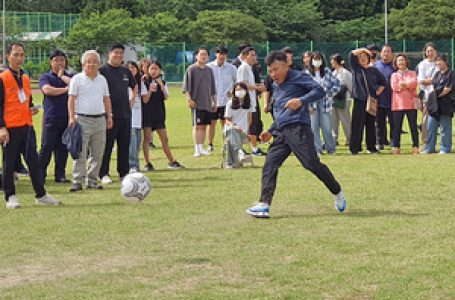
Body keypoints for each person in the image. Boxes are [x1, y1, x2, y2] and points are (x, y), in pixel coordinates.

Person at [246, 50, 346, 218]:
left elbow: (320, 91)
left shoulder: (299, 77)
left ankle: (337, 192)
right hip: (281, 131)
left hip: (298, 128)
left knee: (311, 164)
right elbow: (280, 111)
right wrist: (271, 130)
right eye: (270, 70)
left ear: (286, 66)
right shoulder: (275, 83)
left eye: (276, 69)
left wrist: (301, 101)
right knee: (270, 164)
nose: (273, 74)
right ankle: (264, 204)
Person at [0, 43, 60, 208]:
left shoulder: (25, 78)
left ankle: (41, 195)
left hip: (27, 126)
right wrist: (2, 127)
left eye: (21, 55)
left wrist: (31, 109)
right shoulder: (2, 78)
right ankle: (10, 196)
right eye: (15, 55)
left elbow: (27, 101)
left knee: (33, 162)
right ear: (8, 57)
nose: (19, 58)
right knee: (9, 163)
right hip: (10, 128)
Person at [68, 50, 113, 192]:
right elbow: (71, 99)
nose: (91, 64)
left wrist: (109, 115)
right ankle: (77, 181)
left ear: (99, 64)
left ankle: (92, 180)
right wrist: (71, 117)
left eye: (95, 62)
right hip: (82, 119)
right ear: (83, 64)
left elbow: (106, 99)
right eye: (89, 61)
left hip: (99, 119)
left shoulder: (102, 79)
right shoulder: (77, 79)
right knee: (80, 152)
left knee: (98, 152)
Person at [99, 44, 137, 184]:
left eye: (121, 53)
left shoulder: (125, 71)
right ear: (109, 53)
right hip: (109, 114)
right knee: (107, 145)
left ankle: (123, 173)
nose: (119, 56)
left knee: (124, 145)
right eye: (116, 53)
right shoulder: (102, 70)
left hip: (125, 114)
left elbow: (134, 85)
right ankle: (103, 173)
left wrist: (132, 98)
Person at [142, 61, 184, 169]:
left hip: (159, 114)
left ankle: (172, 161)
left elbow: (166, 97)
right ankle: (147, 163)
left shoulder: (163, 82)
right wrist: (150, 90)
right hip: (147, 114)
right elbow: (145, 100)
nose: (153, 71)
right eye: (151, 69)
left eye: (156, 69)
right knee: (147, 139)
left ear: (160, 70)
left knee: (165, 139)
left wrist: (161, 85)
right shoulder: (144, 82)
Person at [38, 50, 71, 183]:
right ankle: (40, 175)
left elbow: (76, 85)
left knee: (62, 148)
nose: (59, 63)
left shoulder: (69, 76)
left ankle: (60, 175)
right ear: (51, 62)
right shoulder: (45, 77)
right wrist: (66, 89)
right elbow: (47, 90)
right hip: (51, 118)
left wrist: (63, 76)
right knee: (46, 147)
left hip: (66, 117)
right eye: (56, 60)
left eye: (62, 60)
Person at [349, 48, 386, 155]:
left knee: (370, 124)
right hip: (359, 100)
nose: (363, 58)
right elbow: (351, 54)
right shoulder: (356, 69)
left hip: (371, 100)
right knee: (357, 125)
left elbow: (383, 81)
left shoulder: (373, 70)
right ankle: (355, 148)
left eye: (365, 56)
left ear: (369, 58)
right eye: (360, 57)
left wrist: (379, 90)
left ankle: (371, 147)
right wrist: (364, 50)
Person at [183, 47, 217, 157]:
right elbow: (186, 87)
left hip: (207, 102)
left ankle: (201, 147)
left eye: (205, 54)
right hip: (197, 102)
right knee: (197, 126)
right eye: (201, 54)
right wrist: (189, 99)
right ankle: (196, 148)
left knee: (204, 126)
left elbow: (213, 88)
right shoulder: (191, 69)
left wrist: (214, 102)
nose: (203, 56)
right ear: (196, 56)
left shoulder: (209, 70)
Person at [306, 51, 340, 155]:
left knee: (327, 127)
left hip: (325, 102)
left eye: (319, 59)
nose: (317, 61)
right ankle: (317, 149)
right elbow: (303, 90)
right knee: (313, 127)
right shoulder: (306, 73)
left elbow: (337, 84)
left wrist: (329, 93)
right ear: (311, 61)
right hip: (312, 103)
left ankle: (331, 148)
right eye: (315, 59)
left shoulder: (326, 71)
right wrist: (307, 104)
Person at [236, 47, 267, 156]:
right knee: (247, 125)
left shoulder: (250, 68)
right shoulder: (243, 68)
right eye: (252, 55)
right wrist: (257, 87)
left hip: (252, 101)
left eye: (255, 55)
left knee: (252, 125)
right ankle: (249, 149)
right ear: (245, 56)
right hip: (246, 102)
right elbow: (242, 85)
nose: (254, 57)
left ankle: (253, 148)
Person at [207, 44, 237, 152]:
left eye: (224, 54)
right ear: (216, 54)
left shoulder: (232, 68)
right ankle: (210, 144)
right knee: (211, 123)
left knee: (225, 123)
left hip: (227, 101)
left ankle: (226, 144)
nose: (222, 56)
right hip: (213, 100)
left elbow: (236, 82)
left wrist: (232, 92)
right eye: (220, 54)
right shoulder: (209, 67)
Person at [423, 54, 454, 154]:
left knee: (445, 127)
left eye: (440, 61)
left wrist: (436, 94)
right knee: (431, 126)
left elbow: (447, 89)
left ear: (445, 61)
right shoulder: (437, 74)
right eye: (436, 61)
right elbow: (432, 86)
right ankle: (429, 148)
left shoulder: (451, 74)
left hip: (446, 104)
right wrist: (435, 94)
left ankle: (445, 148)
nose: (438, 63)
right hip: (435, 105)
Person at [390, 53, 419, 155]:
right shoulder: (394, 75)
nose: (401, 62)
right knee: (397, 127)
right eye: (399, 61)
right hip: (398, 105)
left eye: (402, 60)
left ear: (406, 61)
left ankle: (415, 146)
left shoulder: (412, 73)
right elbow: (394, 87)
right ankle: (396, 147)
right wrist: (406, 85)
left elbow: (414, 83)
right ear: (396, 63)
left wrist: (404, 85)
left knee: (413, 126)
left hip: (411, 104)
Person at [223, 82, 252, 168]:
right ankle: (240, 151)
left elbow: (250, 120)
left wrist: (247, 132)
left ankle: (231, 163)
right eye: (237, 90)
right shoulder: (230, 103)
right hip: (231, 128)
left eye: (241, 89)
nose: (239, 91)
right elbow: (227, 120)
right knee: (231, 130)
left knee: (229, 140)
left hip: (243, 132)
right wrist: (235, 126)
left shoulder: (249, 104)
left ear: (246, 91)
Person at [126, 61, 147, 172]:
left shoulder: (140, 82)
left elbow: (145, 99)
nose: (131, 70)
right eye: (128, 68)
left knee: (137, 142)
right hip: (130, 117)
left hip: (139, 117)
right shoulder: (124, 83)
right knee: (132, 143)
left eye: (133, 68)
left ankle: (136, 164)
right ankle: (132, 165)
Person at [373, 44, 395, 150]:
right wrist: (378, 88)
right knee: (379, 122)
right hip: (379, 99)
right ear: (380, 53)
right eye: (384, 51)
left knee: (394, 122)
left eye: (388, 51)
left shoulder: (395, 66)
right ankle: (379, 142)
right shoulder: (375, 66)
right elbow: (371, 81)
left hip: (393, 99)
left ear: (392, 54)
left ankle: (393, 142)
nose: (386, 53)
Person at [417, 42, 439, 146]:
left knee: (439, 119)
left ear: (436, 52)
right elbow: (421, 80)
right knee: (426, 118)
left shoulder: (439, 63)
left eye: (432, 50)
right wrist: (433, 80)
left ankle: (437, 141)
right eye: (428, 51)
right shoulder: (422, 64)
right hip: (426, 95)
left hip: (439, 94)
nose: (430, 53)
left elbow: (441, 80)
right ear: (425, 52)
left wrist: (430, 80)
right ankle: (426, 141)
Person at [330, 53, 352, 146]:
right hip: (333, 99)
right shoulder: (333, 73)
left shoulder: (346, 73)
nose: (331, 62)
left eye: (333, 60)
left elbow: (351, 87)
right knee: (333, 121)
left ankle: (350, 139)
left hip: (344, 100)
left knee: (345, 120)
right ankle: (334, 139)